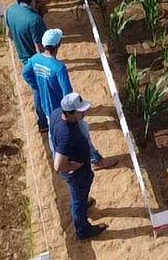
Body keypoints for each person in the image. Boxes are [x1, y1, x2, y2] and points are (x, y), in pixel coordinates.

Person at [50, 92, 109, 241]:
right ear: (69, 113)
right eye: (80, 110)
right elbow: (58, 165)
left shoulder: (57, 113)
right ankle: (83, 230)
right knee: (78, 198)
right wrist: (72, 166)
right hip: (76, 175)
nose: (84, 112)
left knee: (81, 195)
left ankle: (83, 203)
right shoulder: (67, 135)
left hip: (79, 171)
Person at [23, 28, 72, 131]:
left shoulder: (35, 59)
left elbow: (25, 73)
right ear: (58, 44)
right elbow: (67, 92)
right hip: (57, 108)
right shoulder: (59, 67)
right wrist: (68, 112)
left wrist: (37, 86)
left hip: (44, 104)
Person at [6, 0, 47, 66]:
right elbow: (40, 49)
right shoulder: (35, 20)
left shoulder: (10, 10)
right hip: (36, 63)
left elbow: (9, 34)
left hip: (24, 61)